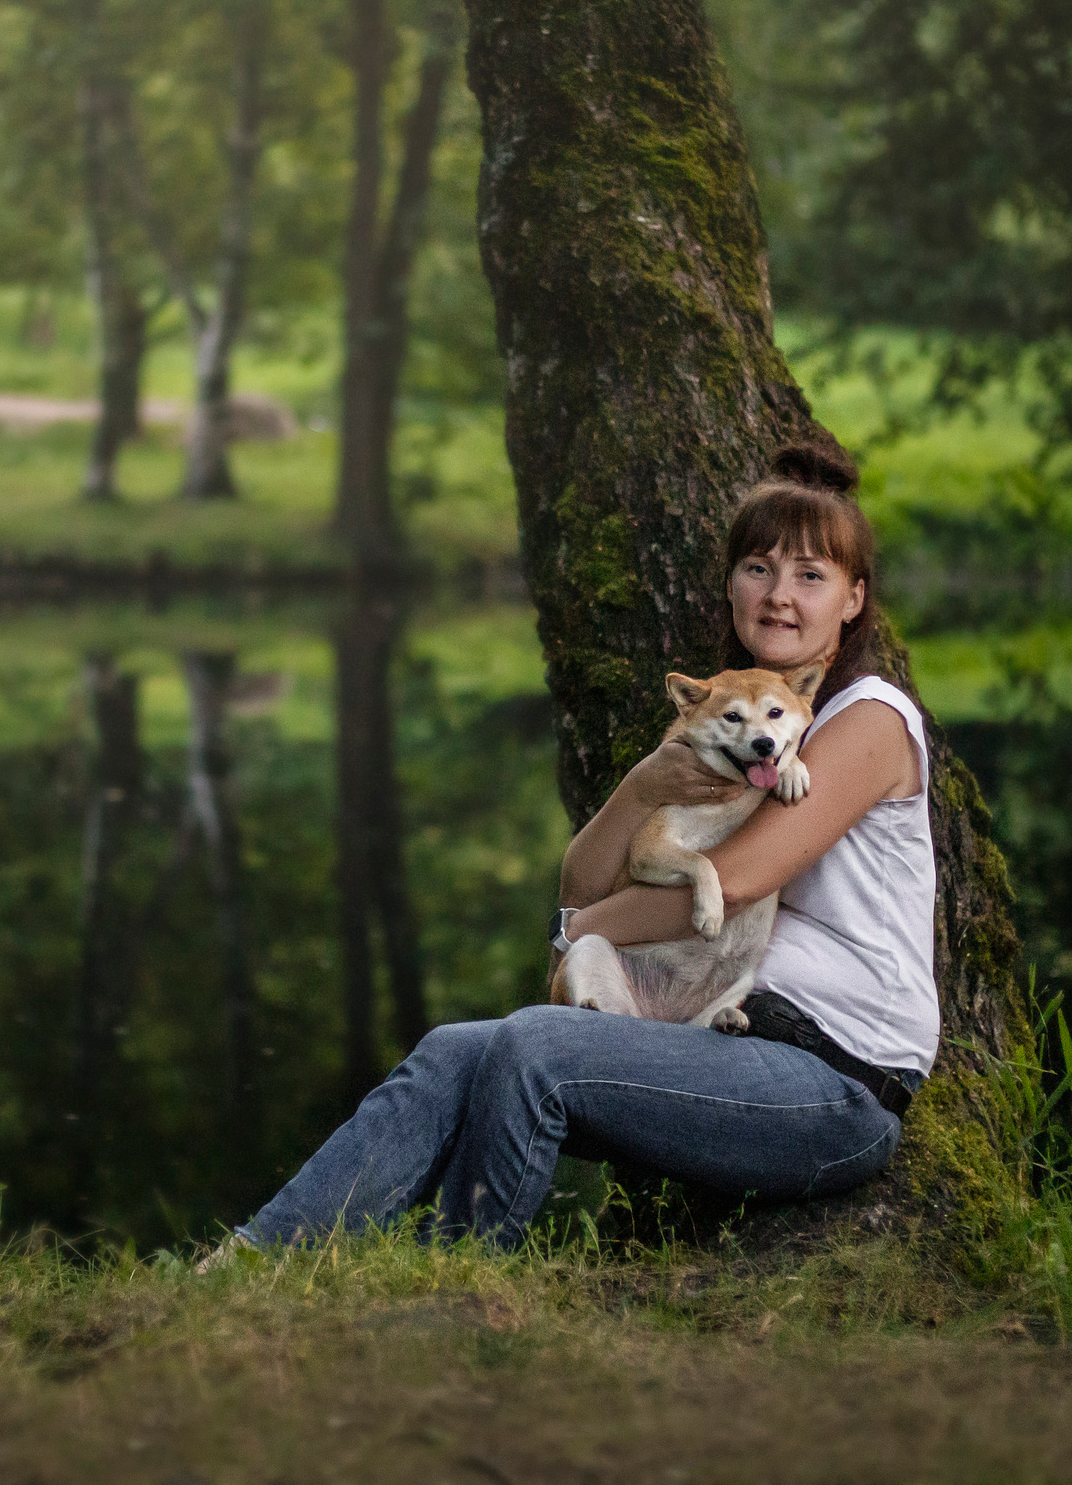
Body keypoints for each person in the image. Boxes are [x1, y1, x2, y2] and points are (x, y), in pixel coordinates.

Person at [223, 440, 938, 1251]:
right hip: (713, 1034)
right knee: (453, 1050)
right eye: (758, 568)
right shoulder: (730, 718)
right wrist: (643, 786)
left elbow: (735, 880)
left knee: (535, 1043)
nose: (779, 596)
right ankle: (256, 1260)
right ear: (731, 582)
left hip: (832, 1080)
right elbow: (581, 876)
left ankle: (454, 1274)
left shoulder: (869, 717)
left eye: (811, 575)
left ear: (854, 599)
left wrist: (579, 934)